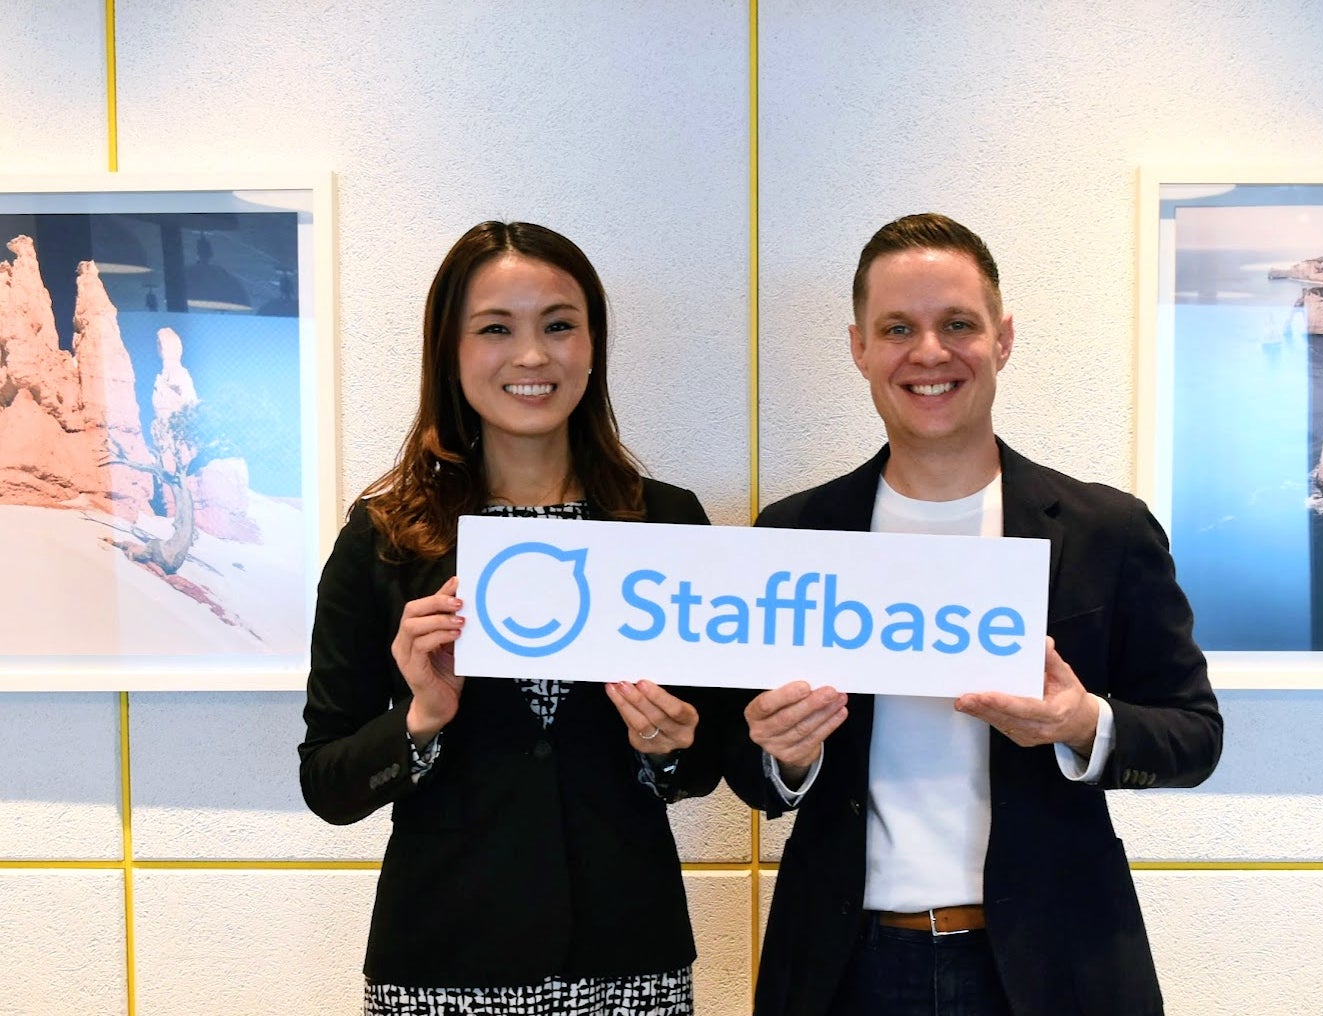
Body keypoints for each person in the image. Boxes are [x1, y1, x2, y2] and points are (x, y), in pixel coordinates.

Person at [726, 213, 1223, 1016]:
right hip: (842, 969)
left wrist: (1083, 724)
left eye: (958, 324)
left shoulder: (1107, 531)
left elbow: (1195, 735)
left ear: (1003, 339)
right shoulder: (794, 536)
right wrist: (783, 757)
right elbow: (748, 766)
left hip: (1052, 965)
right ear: (859, 348)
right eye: (898, 328)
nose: (929, 352)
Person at [299, 221, 726, 1015]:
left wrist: (667, 748)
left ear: (593, 347)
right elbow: (327, 782)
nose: (532, 356)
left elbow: (705, 761)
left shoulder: (664, 523)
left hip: (628, 954)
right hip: (441, 960)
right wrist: (421, 720)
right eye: (496, 329)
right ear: (449, 351)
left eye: (559, 325)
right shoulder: (384, 537)